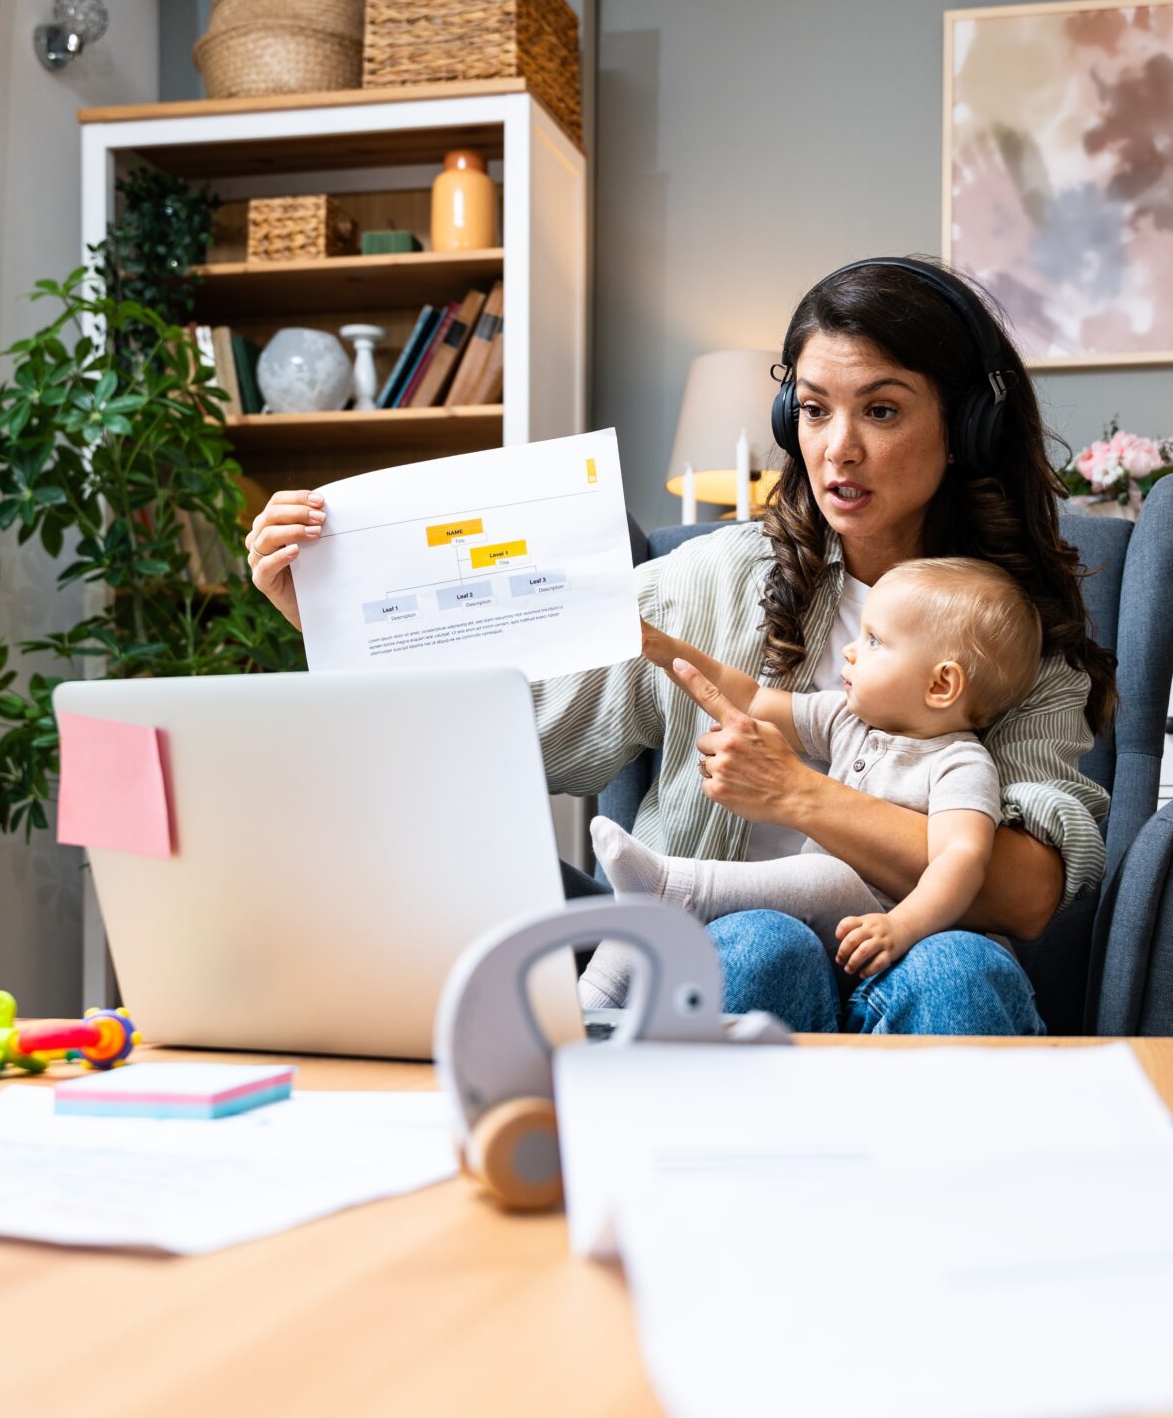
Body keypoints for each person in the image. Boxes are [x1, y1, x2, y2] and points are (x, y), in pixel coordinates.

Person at [242, 257, 1116, 1035]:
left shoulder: (1017, 633)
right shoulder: (704, 582)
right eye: (813, 410)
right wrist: (325, 620)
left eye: (881, 410)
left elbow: (1028, 890)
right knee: (761, 943)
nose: (837, 449)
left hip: (921, 960)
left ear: (962, 430)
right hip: (735, 960)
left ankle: (960, 1213)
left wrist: (802, 796)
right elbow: (502, 738)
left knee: (965, 966)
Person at [582, 555, 1042, 1009]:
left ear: (941, 685)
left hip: (890, 942)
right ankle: (595, 994)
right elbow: (754, 698)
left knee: (825, 874)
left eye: (875, 641)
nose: (851, 649)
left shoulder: (961, 764)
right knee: (651, 914)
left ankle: (679, 887)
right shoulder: (847, 719)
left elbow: (960, 859)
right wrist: (669, 652)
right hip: (815, 939)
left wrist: (902, 926)